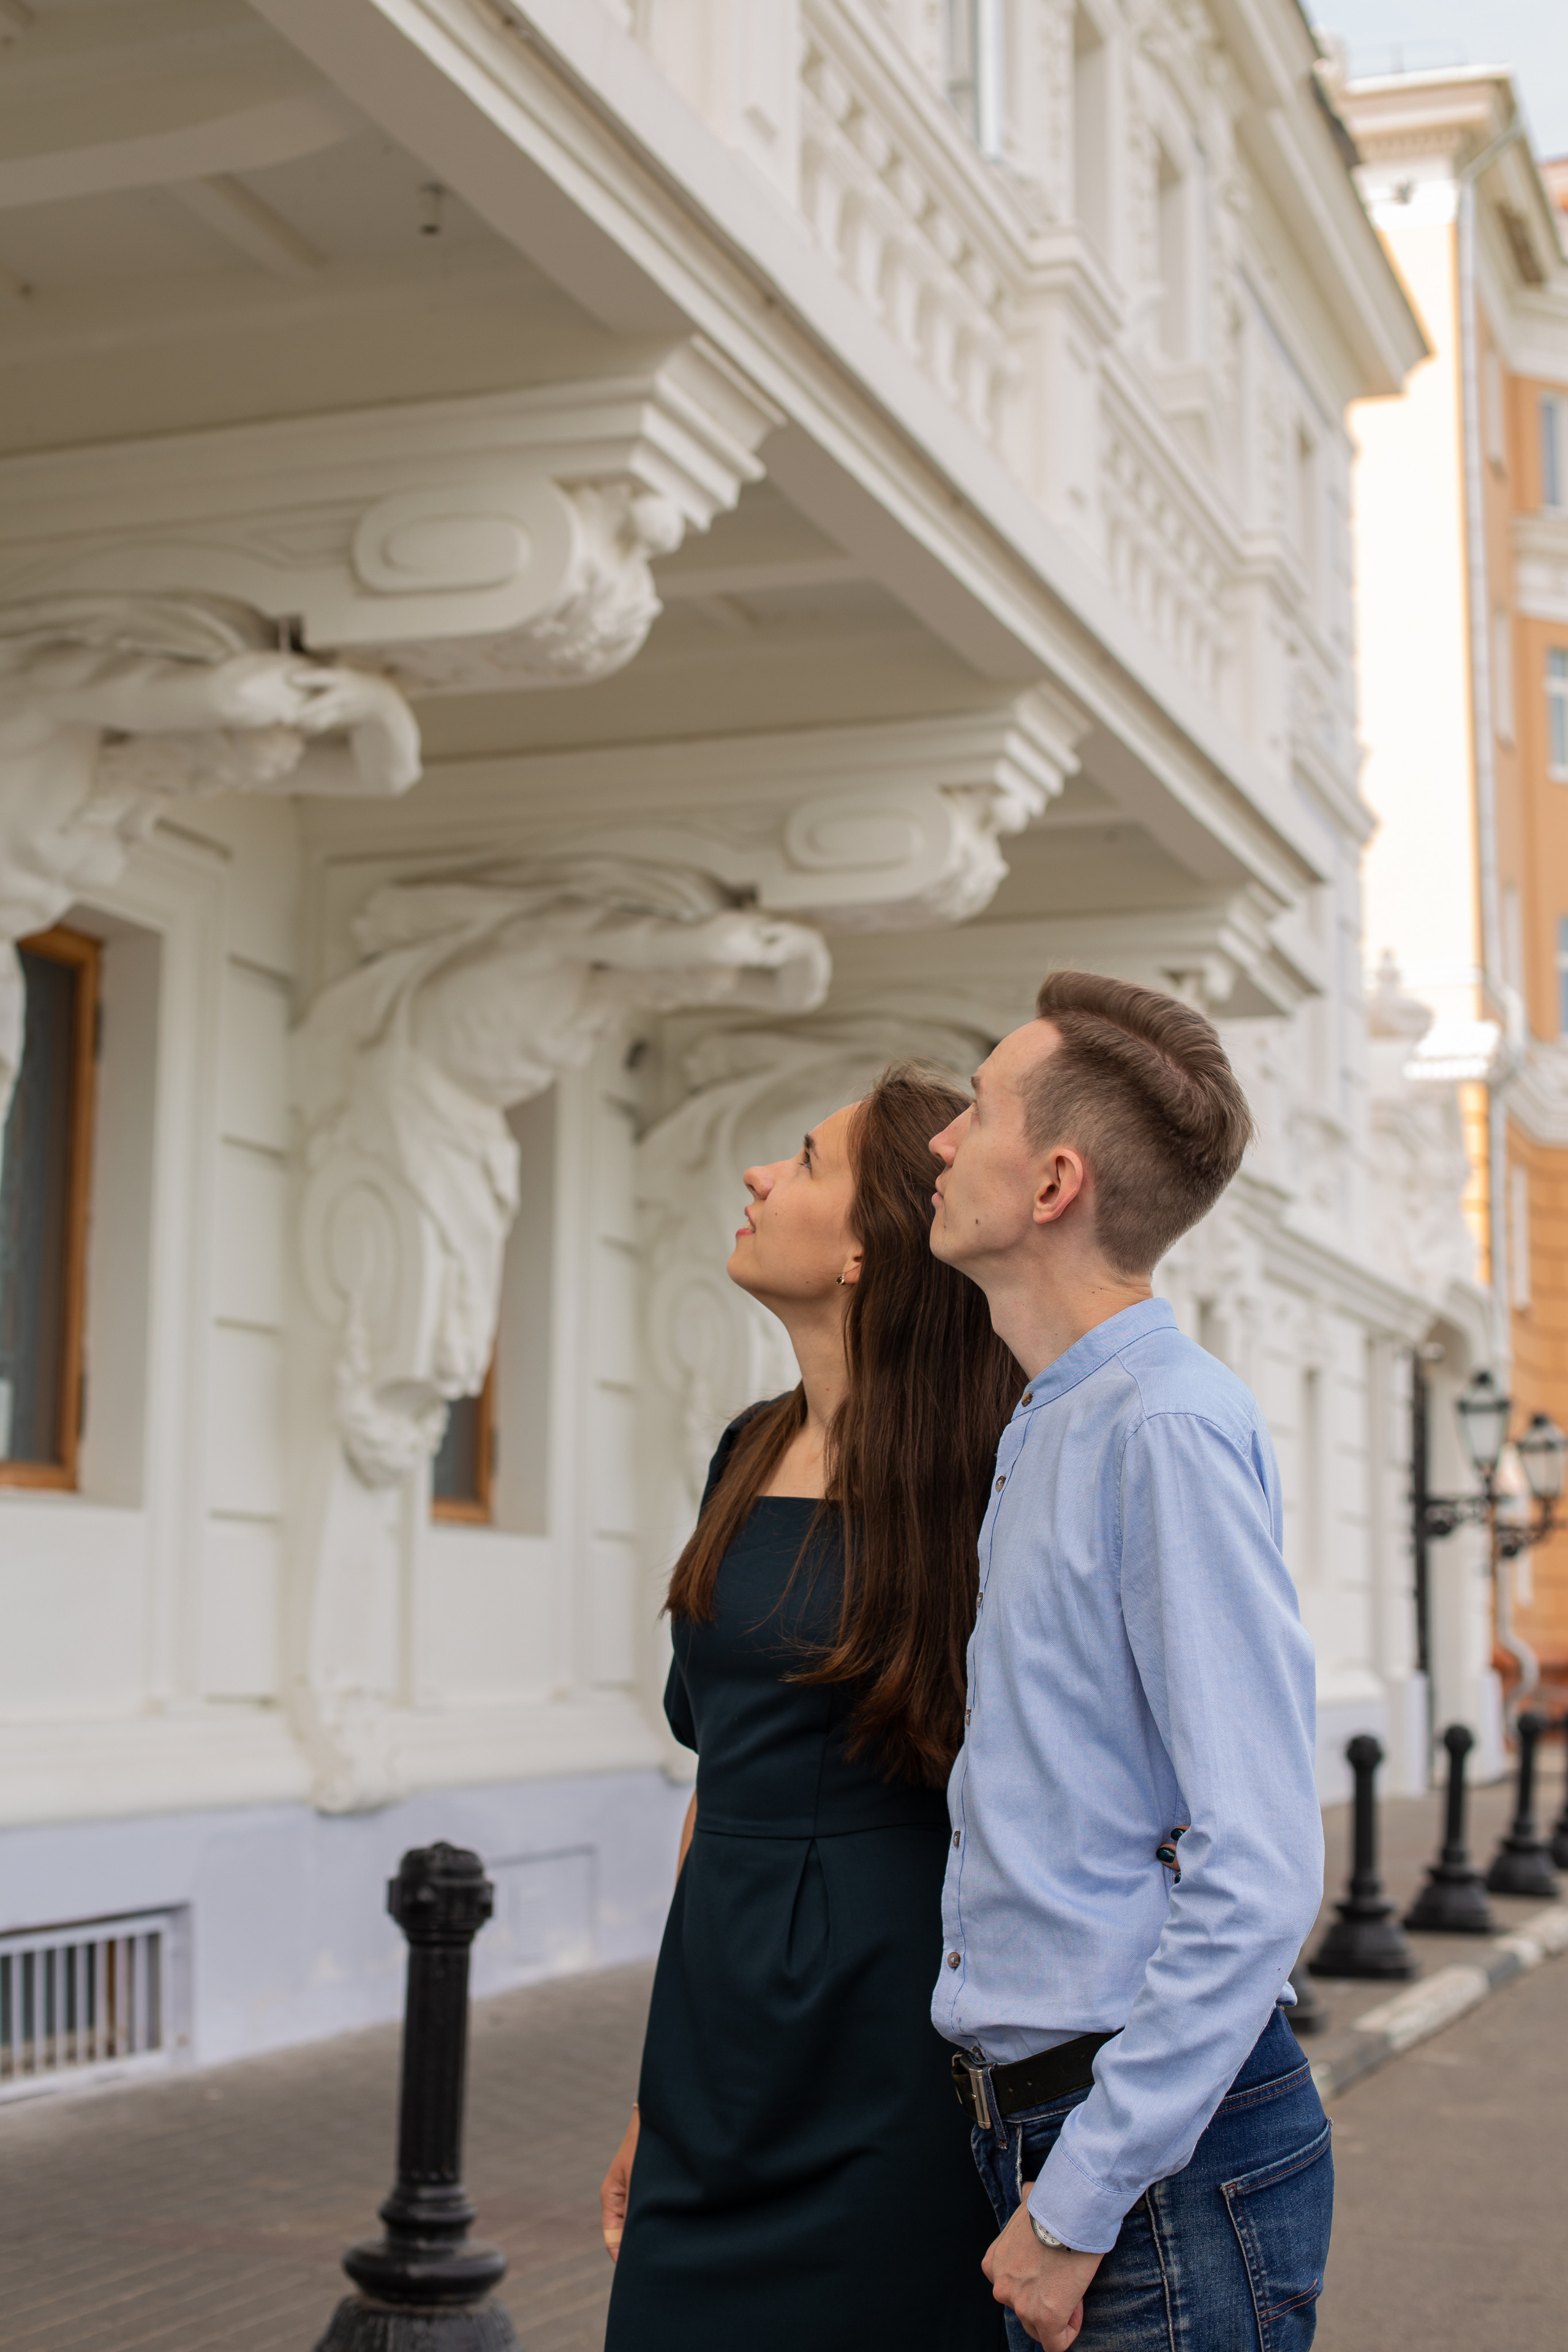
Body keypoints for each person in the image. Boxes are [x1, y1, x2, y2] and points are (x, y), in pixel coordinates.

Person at [927, 971, 1330, 2352]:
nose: (939, 1142)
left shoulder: (1161, 1428)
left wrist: (1074, 2204)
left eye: (973, 1111)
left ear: (1050, 1181)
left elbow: (1261, 1866)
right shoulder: (1053, 1422)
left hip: (1153, 2171)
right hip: (1060, 2137)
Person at [601, 1065, 1021, 2351]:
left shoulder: (990, 1473)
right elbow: (716, 1772)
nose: (757, 1174)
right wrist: (648, 2089)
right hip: (714, 2020)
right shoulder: (744, 1445)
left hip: (890, 2030)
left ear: (863, 1249)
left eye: (803, 1159)